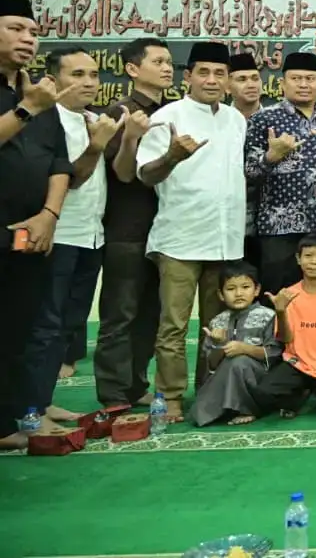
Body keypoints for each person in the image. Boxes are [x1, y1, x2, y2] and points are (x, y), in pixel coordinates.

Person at [137, 41, 247, 422]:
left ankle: (209, 391)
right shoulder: (167, 117)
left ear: (228, 80)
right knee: (173, 326)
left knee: (217, 327)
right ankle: (169, 396)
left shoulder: (236, 120)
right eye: (204, 72)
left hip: (224, 240)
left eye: (220, 73)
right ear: (188, 77)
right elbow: (145, 174)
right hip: (180, 239)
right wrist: (172, 156)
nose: (212, 80)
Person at [25, 47, 116, 429]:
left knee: (68, 325)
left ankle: (43, 403)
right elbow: (70, 178)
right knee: (44, 326)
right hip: (56, 237)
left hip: (91, 237)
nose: (89, 83)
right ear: (53, 80)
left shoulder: (93, 119)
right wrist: (97, 146)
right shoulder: (43, 121)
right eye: (77, 75)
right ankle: (28, 411)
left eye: (93, 75)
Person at [0, 0, 72, 451]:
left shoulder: (41, 95)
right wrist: (27, 109)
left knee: (21, 330)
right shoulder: (34, 100)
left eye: (32, 31)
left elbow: (59, 163)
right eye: (15, 28)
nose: (28, 38)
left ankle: (14, 419)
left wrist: (49, 215)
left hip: (33, 232)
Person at [95, 37, 172, 411]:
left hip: (164, 229)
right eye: (158, 61)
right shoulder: (119, 112)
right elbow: (122, 174)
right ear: (132, 69)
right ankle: (113, 393)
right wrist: (130, 137)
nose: (167, 68)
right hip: (127, 229)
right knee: (120, 314)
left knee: (150, 315)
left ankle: (136, 384)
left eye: (169, 62)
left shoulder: (172, 113)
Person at [244, 51, 316, 297]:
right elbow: (249, 173)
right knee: (276, 298)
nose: (304, 84)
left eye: (310, 79)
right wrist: (271, 157)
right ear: (283, 83)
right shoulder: (263, 119)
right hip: (277, 229)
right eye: (296, 79)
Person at [250, 234, 316, 425]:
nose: (313, 262)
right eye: (308, 256)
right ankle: (300, 395)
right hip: (298, 365)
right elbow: (285, 339)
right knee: (263, 394)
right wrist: (280, 311)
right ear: (298, 259)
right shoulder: (288, 294)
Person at [190, 263, 279, 427]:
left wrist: (245, 349)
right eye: (231, 289)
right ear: (221, 294)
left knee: (239, 362)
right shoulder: (218, 321)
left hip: (260, 379)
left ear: (257, 290)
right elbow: (212, 365)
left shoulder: (268, 316)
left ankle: (246, 408)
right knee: (199, 411)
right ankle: (227, 406)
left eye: (245, 287)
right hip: (227, 377)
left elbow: (275, 354)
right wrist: (218, 344)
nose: (238, 294)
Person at [227, 52, 263, 269]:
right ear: (227, 86)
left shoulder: (277, 121)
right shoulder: (219, 122)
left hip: (267, 226)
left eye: (254, 78)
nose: (251, 84)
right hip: (228, 224)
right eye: (242, 79)